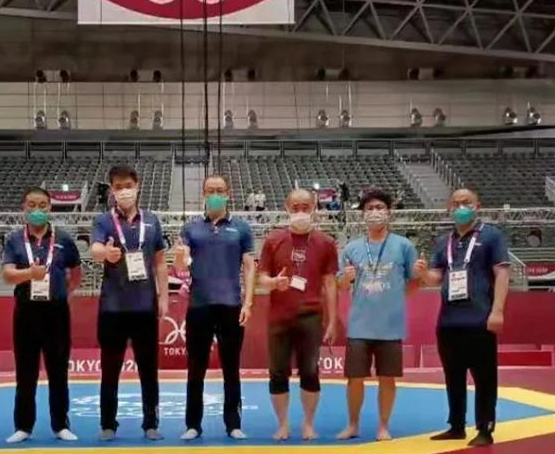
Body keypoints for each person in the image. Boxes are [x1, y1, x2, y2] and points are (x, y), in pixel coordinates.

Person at [337, 188, 426, 442]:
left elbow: (414, 283)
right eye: (370, 209)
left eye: (379, 208)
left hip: (390, 326)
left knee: (387, 378)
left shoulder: (404, 246)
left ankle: (383, 426)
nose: (375, 212)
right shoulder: (352, 248)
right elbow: (341, 286)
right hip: (359, 326)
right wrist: (346, 278)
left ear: (389, 213)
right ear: (363, 215)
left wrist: (405, 290)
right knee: (354, 378)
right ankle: (353, 425)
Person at [424, 189, 510, 448]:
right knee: (453, 376)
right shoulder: (444, 242)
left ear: (477, 206)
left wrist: (497, 311)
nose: (461, 207)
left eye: (466, 203)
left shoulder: (492, 236)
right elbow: (436, 278)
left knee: (484, 378)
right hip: (448, 321)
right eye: (456, 203)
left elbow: (502, 274)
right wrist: (421, 273)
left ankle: (485, 428)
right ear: (449, 208)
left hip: (480, 319)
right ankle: (456, 426)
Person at [173, 174, 256, 440]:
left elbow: (249, 266)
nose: (215, 194)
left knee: (231, 368)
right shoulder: (191, 228)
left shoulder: (241, 228)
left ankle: (233, 424)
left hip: (231, 305)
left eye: (220, 190)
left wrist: (248, 302)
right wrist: (179, 257)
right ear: (204, 195)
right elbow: (180, 265)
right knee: (195, 368)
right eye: (210, 190)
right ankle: (192, 425)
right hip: (199, 306)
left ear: (228, 194)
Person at [90, 165, 169, 441]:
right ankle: (108, 424)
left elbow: (160, 261)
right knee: (110, 369)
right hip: (112, 308)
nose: (124, 191)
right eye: (118, 187)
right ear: (112, 190)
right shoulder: (103, 221)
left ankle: (150, 423)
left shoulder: (152, 221)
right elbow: (94, 249)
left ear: (138, 186)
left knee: (148, 370)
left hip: (145, 307)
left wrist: (163, 296)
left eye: (128, 185)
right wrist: (106, 252)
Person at [2, 187, 83, 444]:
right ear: (24, 208)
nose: (37, 210)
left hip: (56, 312)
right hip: (26, 312)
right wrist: (30, 274)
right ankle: (23, 426)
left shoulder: (64, 239)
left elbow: (76, 272)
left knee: (58, 372)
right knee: (25, 372)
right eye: (32, 205)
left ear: (50, 208)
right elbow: (7, 275)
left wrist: (65, 294)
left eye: (42, 205)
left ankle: (61, 425)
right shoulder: (14, 239)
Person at [258, 188, 338, 441]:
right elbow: (261, 278)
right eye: (295, 207)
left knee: (310, 371)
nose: (301, 212)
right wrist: (274, 283)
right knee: (277, 372)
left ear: (314, 208)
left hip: (311, 316)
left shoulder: (326, 243)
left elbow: (330, 283)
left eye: (306, 207)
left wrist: (333, 320)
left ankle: (308, 424)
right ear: (286, 208)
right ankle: (283, 424)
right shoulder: (273, 240)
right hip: (279, 318)